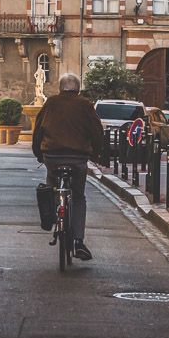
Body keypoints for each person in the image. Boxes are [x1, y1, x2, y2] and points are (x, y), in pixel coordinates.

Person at [32, 71, 104, 261]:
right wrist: (97, 154)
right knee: (78, 197)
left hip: (53, 156)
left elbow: (38, 130)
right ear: (78, 89)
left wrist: (39, 153)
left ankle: (55, 215)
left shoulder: (51, 103)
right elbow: (97, 131)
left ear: (60, 88)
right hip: (78, 158)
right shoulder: (86, 105)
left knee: (51, 183)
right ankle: (79, 241)